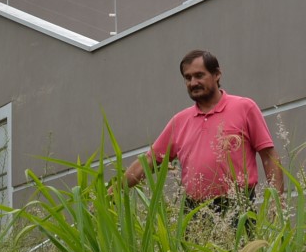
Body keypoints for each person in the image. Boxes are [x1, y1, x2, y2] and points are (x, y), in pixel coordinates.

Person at [121, 49, 283, 220]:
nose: (193, 82)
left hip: (238, 208)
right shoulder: (180, 121)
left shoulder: (244, 107)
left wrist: (276, 204)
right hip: (193, 212)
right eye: (188, 78)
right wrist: (112, 192)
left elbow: (269, 156)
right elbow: (149, 161)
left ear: (217, 75)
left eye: (199, 75)